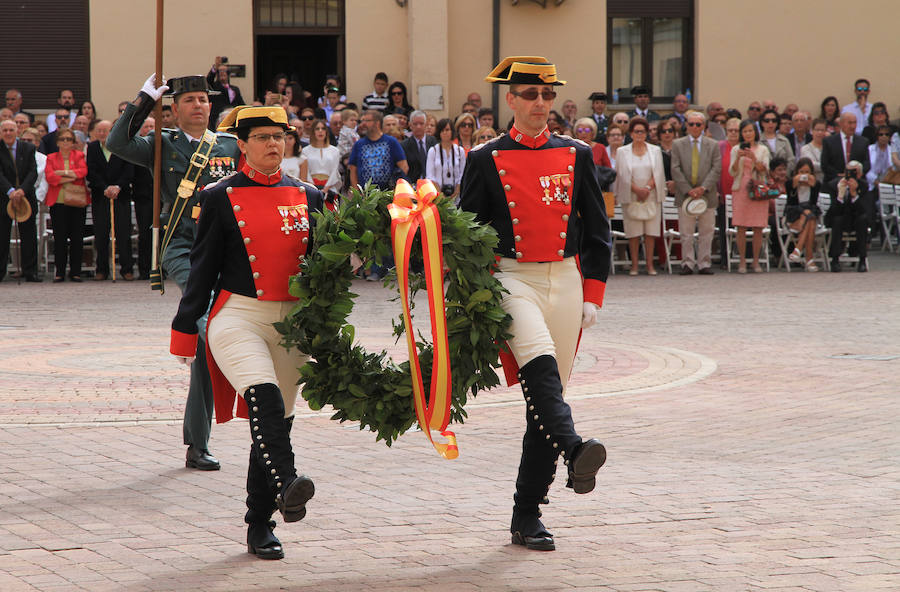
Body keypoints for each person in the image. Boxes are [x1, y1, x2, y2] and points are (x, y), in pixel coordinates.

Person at [459, 56, 610, 552]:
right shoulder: (485, 158)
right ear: (511, 100)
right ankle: (574, 448)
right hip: (512, 277)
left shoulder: (578, 153)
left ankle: (527, 514)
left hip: (565, 279)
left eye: (546, 95)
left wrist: (593, 292)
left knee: (544, 402)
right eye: (529, 95)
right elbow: (466, 235)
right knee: (540, 369)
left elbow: (597, 229)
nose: (539, 103)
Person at [169, 105, 323, 561]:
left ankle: (261, 522)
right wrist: (184, 329)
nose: (273, 144)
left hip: (292, 324)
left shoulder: (310, 195)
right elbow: (202, 269)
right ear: (243, 144)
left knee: (276, 421)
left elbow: (321, 267)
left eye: (280, 136)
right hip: (238, 315)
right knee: (265, 401)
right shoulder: (218, 195)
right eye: (262, 137)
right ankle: (290, 480)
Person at [108, 74, 241, 471]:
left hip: (230, 251)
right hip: (184, 248)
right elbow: (116, 143)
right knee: (204, 333)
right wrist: (144, 99)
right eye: (190, 100)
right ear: (175, 109)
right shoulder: (162, 144)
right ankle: (198, 442)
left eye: (204, 99)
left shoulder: (232, 146)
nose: (199, 105)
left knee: (221, 338)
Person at [671, 111, 723, 275]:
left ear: (703, 126)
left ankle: (704, 263)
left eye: (698, 124)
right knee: (686, 232)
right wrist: (688, 189)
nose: (694, 127)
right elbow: (675, 168)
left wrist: (703, 188)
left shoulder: (713, 144)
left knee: (706, 232)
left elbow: (716, 168)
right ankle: (687, 263)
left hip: (707, 195)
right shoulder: (677, 144)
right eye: (691, 124)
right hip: (685, 195)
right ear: (686, 125)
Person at [614, 117, 666, 275]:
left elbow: (658, 172)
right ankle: (635, 265)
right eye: (636, 131)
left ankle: (650, 265)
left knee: (650, 233)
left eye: (642, 131)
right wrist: (637, 190)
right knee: (634, 233)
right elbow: (621, 175)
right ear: (630, 133)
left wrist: (647, 188)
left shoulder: (655, 150)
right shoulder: (622, 152)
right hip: (631, 195)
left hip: (651, 194)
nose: (639, 134)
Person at [821, 112, 871, 271]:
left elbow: (866, 163)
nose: (852, 126)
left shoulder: (863, 142)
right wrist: (841, 180)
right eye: (849, 122)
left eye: (855, 123)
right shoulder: (829, 141)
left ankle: (862, 259)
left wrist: (855, 184)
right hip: (836, 181)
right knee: (837, 220)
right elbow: (825, 164)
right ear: (841, 124)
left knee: (862, 219)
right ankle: (834, 259)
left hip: (856, 203)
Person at [87, 120, 136, 281]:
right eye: (99, 130)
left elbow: (129, 170)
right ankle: (101, 269)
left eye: (105, 130)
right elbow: (91, 172)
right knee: (101, 234)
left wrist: (118, 187)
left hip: (120, 195)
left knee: (123, 233)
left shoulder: (121, 146)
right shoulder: (93, 148)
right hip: (101, 196)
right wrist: (105, 187)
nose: (102, 133)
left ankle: (126, 269)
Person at [45, 127, 89, 282]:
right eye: (63, 139)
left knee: (77, 238)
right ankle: (60, 272)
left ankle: (76, 271)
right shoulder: (51, 157)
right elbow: (50, 177)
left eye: (69, 139)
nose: (66, 142)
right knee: (60, 239)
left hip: (77, 202)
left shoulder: (79, 155)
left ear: (73, 142)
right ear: (57, 142)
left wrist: (61, 174)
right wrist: (70, 174)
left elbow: (82, 172)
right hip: (58, 203)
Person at [0, 119, 40, 282]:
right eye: (5, 130)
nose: (8, 133)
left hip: (26, 197)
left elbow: (33, 172)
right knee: (2, 236)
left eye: (11, 130)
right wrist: (10, 191)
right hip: (4, 198)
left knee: (29, 236)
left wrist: (22, 190)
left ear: (17, 131)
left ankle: (30, 271)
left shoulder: (28, 148)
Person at [729, 119, 771, 273]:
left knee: (758, 226)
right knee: (740, 225)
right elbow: (732, 172)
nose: (748, 134)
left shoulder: (763, 149)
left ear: (755, 132)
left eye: (750, 131)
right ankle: (741, 261)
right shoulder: (735, 149)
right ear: (741, 133)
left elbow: (764, 170)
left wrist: (753, 158)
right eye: (745, 131)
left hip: (758, 188)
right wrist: (739, 158)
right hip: (741, 188)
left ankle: (755, 261)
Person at [348, 110, 408, 191]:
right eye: (363, 121)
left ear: (377, 123)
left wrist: (397, 188)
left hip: (388, 193)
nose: (364, 124)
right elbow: (353, 170)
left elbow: (404, 166)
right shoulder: (359, 145)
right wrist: (356, 192)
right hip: (366, 196)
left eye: (367, 121)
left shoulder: (391, 142)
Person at [784, 157, 822, 271]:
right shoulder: (790, 183)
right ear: (796, 172)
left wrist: (812, 184)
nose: (804, 175)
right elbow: (791, 204)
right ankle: (809, 259)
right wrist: (796, 183)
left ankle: (798, 249)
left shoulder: (816, 184)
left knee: (809, 217)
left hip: (809, 215)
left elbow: (813, 204)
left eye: (807, 172)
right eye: (801, 172)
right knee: (809, 217)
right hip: (794, 216)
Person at [425, 118, 466, 204]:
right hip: (437, 196)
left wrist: (456, 192)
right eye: (442, 130)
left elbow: (463, 173)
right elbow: (430, 175)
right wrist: (440, 194)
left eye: (447, 130)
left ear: (452, 131)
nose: (444, 133)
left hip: (457, 196)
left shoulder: (459, 150)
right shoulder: (433, 151)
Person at [302, 119, 341, 196]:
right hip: (311, 187)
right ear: (313, 132)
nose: (320, 131)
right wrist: (314, 188)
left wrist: (326, 189)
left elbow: (335, 171)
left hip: (330, 188)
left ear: (326, 132)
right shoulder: (305, 151)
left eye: (323, 128)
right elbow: (306, 172)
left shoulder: (335, 151)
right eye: (317, 129)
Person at [207, 56, 245, 129]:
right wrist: (215, 67)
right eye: (220, 71)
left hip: (232, 119)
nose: (222, 73)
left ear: (228, 74)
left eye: (224, 71)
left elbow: (241, 103)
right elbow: (209, 80)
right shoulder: (214, 87)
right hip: (217, 120)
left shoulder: (235, 89)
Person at [401, 110, 437, 182]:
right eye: (415, 124)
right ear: (410, 125)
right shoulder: (404, 146)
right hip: (413, 185)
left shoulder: (434, 142)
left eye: (421, 123)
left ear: (426, 124)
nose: (418, 127)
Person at [759, 108, 795, 173]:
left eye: (774, 120)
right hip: (763, 177)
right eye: (767, 120)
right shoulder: (757, 140)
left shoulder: (784, 140)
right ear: (762, 123)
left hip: (783, 177)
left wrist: (783, 173)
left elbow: (791, 161)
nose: (771, 123)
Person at [800, 118, 828, 183]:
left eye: (822, 130)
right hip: (812, 182)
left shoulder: (830, 147)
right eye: (817, 130)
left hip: (828, 182)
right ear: (812, 131)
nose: (820, 132)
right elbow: (811, 165)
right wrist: (827, 167)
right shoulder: (805, 148)